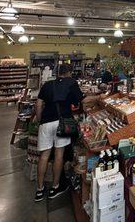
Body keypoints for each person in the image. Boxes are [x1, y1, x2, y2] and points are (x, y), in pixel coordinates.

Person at [34, 63, 83, 202]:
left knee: (44, 156)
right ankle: (55, 187)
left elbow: (38, 104)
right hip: (62, 123)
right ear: (69, 73)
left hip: (46, 122)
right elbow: (79, 101)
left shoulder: (48, 85)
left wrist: (39, 120)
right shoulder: (71, 83)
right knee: (58, 155)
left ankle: (39, 189)